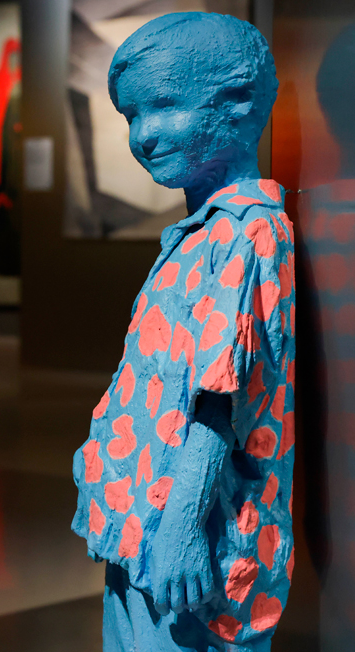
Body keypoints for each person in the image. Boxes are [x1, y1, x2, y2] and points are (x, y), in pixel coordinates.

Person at [72, 12, 295, 651]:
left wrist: (182, 527)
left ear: (240, 101)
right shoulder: (203, 233)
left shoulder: (247, 234)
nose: (143, 135)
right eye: (131, 115)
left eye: (165, 106)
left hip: (191, 543)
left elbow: (218, 397)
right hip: (141, 521)